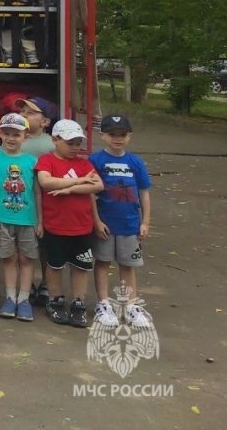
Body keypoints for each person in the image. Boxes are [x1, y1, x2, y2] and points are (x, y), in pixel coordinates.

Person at [35, 119, 104, 328]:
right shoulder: (47, 160)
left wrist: (69, 189)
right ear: (55, 140)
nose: (76, 148)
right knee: (54, 265)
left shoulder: (85, 163)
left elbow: (98, 185)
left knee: (81, 267)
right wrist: (79, 181)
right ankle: (55, 300)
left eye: (78, 143)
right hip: (55, 225)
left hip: (82, 226)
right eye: (70, 143)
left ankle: (78, 302)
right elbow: (46, 182)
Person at [90, 115, 153, 328]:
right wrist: (96, 221)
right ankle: (103, 303)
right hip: (106, 223)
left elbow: (144, 192)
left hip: (130, 224)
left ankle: (131, 305)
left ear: (129, 137)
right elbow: (90, 194)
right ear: (102, 136)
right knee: (103, 262)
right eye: (112, 134)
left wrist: (145, 221)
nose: (118, 139)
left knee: (128, 265)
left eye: (122, 135)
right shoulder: (96, 160)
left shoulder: (135, 161)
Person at [0, 113, 40, 322]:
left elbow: (37, 192)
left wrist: (39, 220)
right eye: (6, 133)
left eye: (16, 134)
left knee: (26, 258)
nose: (11, 138)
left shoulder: (32, 161)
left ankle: (24, 299)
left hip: (27, 218)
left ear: (26, 136)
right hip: (2, 217)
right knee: (8, 258)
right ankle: (10, 298)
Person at [16, 96, 57, 305]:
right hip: (21, 203)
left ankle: (47, 285)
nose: (24, 115)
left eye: (30, 113)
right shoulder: (15, 140)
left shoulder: (51, 144)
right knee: (24, 247)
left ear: (45, 122)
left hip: (48, 204)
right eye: (22, 112)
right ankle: (28, 284)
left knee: (45, 248)